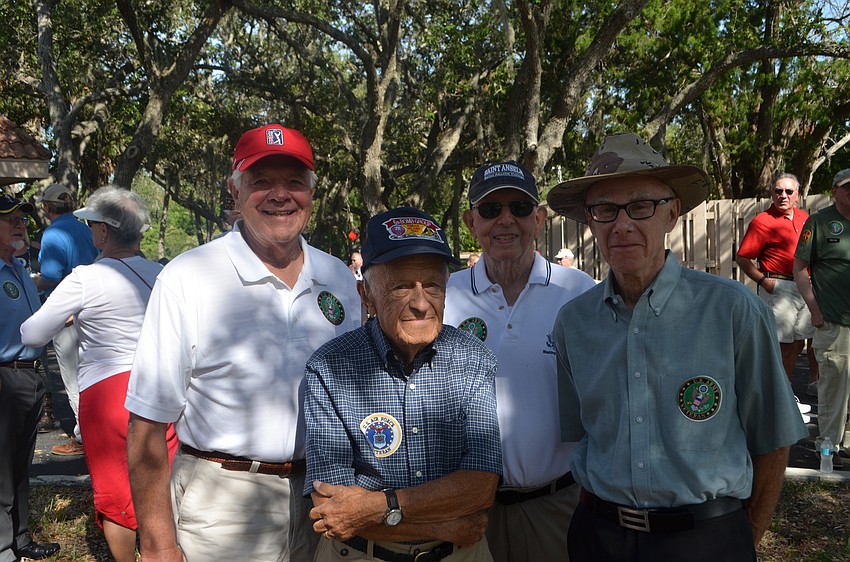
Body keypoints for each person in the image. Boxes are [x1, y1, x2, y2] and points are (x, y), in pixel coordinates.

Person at [546, 132, 808, 562]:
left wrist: (747, 538)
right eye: (605, 210)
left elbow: (774, 440)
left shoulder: (733, 311)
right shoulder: (574, 323)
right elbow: (584, 433)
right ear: (590, 222)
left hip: (706, 539)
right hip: (600, 537)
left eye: (640, 206)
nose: (622, 224)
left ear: (671, 214)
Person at [125, 123, 361, 562]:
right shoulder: (187, 277)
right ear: (234, 193)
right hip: (223, 504)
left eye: (295, 182)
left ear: (312, 194)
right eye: (261, 182)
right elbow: (146, 426)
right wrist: (158, 544)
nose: (280, 195)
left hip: (325, 499)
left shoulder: (339, 278)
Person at [305, 207, 502, 562]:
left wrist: (378, 506)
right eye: (401, 286)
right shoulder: (329, 368)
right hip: (361, 553)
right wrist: (440, 526)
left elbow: (481, 486)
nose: (421, 303)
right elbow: (331, 509)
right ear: (366, 295)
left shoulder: (473, 359)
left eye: (433, 286)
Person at [444, 161, 595, 562]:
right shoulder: (444, 297)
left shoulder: (579, 293)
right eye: (491, 209)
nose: (505, 220)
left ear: (540, 218)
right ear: (470, 221)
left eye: (520, 207)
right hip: (465, 509)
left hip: (555, 506)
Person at [21, 186, 178, 562]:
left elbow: (32, 333)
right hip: (161, 387)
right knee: (165, 483)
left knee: (115, 491)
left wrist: (75, 316)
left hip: (107, 393)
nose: (90, 232)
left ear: (104, 232)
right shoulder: (165, 274)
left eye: (92, 225)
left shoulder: (85, 279)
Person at [0, 194, 60, 561]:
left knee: (21, 464)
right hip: (4, 377)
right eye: (10, 220)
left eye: (22, 219)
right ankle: (3, 548)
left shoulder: (21, 268)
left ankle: (19, 539)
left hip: (30, 375)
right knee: (0, 467)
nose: (21, 225)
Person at [736, 173, 817, 411]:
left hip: (806, 285)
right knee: (780, 343)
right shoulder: (763, 220)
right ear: (772, 194)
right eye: (778, 191)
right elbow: (742, 258)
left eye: (788, 192)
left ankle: (794, 387)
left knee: (800, 340)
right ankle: (778, 394)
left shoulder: (805, 219)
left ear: (797, 196)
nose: (782, 196)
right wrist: (764, 282)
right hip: (779, 286)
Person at [34, 183, 98, 456]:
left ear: (47, 209)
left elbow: (50, 275)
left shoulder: (53, 232)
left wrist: (31, 281)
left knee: (72, 378)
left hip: (67, 311)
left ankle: (84, 438)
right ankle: (95, 430)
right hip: (92, 308)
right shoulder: (85, 228)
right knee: (92, 372)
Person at [794, 168, 850, 466]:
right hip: (833, 320)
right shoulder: (819, 222)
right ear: (835, 191)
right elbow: (800, 268)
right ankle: (828, 450)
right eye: (847, 188)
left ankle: (845, 444)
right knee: (833, 388)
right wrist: (814, 309)